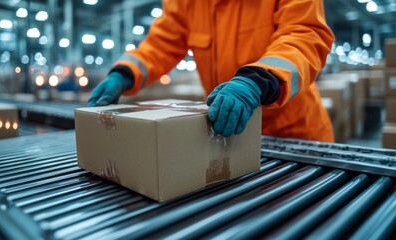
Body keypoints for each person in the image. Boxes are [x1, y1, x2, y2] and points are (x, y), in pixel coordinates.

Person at [88, 0, 335, 142]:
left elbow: (304, 35)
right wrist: (125, 72)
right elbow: (162, 44)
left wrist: (257, 81)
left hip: (293, 136)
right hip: (229, 132)